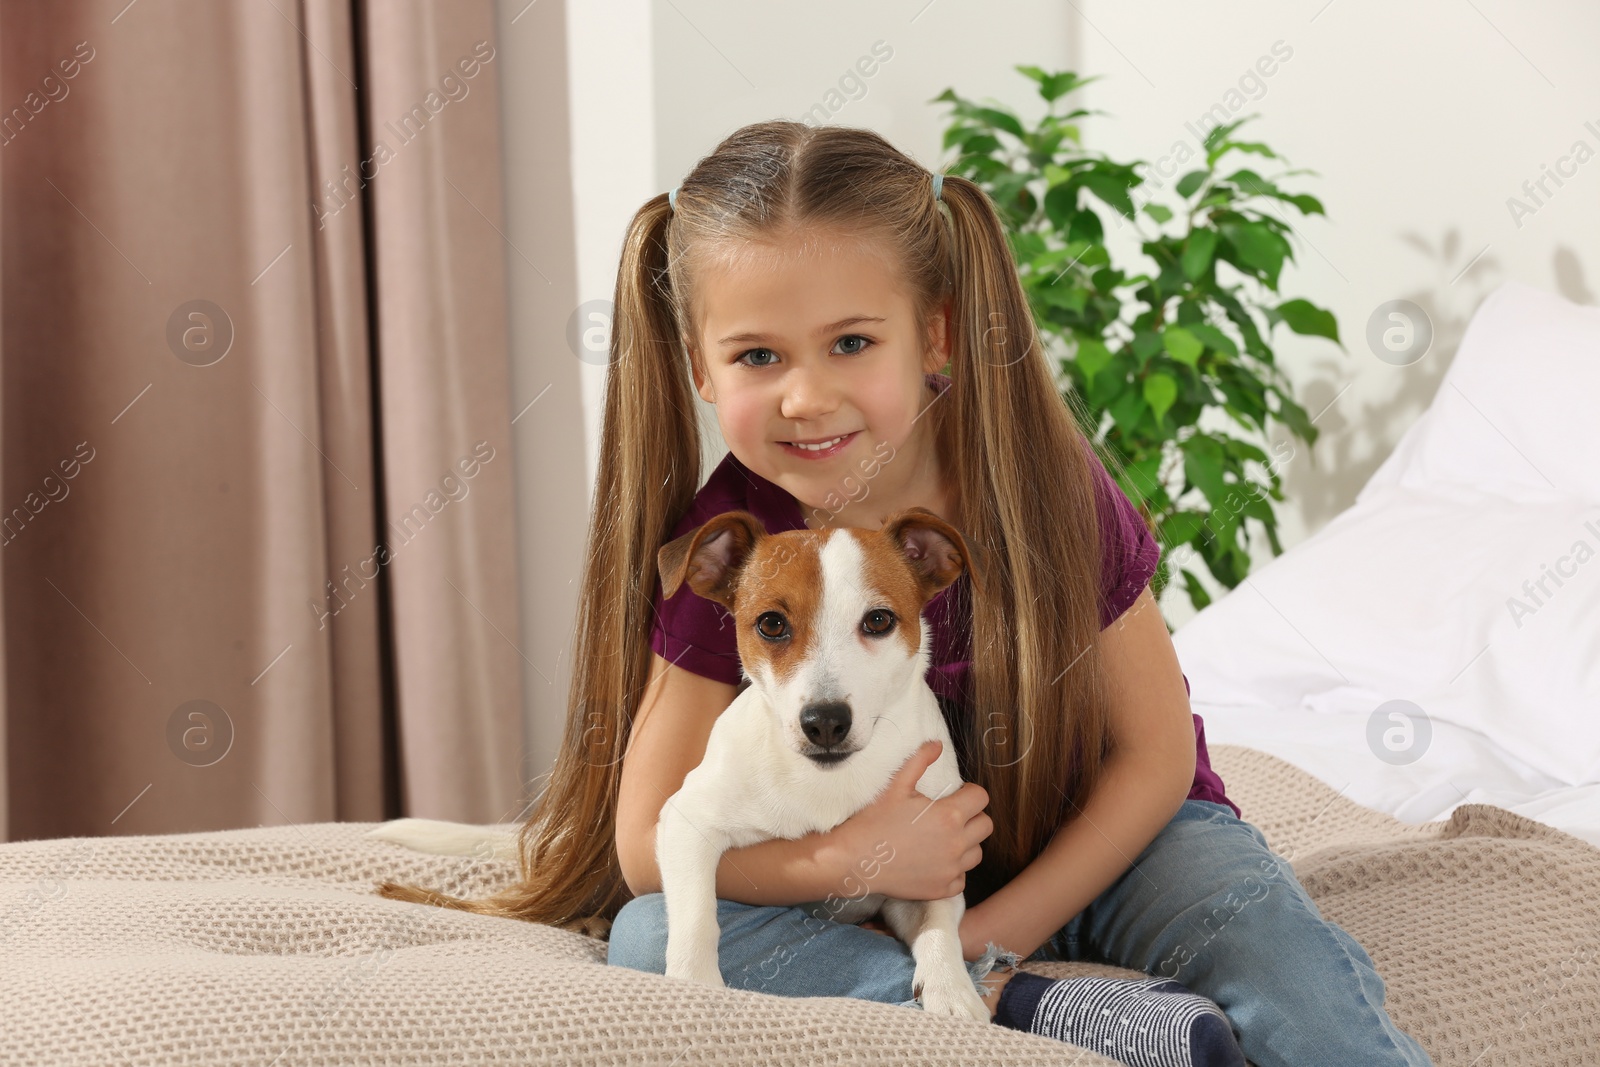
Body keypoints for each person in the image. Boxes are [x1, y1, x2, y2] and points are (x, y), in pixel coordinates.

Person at [378, 120, 1434, 1067]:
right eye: (756, 354)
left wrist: (983, 933)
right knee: (653, 934)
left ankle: (1001, 981)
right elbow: (648, 843)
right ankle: (1051, 1013)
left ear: (932, 333)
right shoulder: (738, 547)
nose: (806, 393)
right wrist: (848, 861)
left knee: (1283, 958)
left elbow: (1153, 756)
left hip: (1120, 839)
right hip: (882, 887)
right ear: (699, 368)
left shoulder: (1039, 481)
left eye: (850, 341)